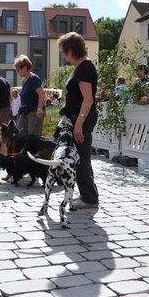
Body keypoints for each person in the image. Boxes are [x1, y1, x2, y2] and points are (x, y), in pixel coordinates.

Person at [58, 32, 99, 208]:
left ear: (70, 50)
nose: (62, 54)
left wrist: (79, 125)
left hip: (81, 119)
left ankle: (89, 198)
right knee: (80, 158)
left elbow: (88, 99)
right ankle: (87, 195)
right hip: (77, 118)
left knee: (81, 158)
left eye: (63, 50)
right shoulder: (81, 67)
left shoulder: (84, 69)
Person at [14, 54, 45, 136]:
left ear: (24, 68)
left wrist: (39, 109)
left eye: (18, 70)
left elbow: (41, 94)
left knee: (33, 136)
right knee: (19, 133)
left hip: (34, 112)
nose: (17, 72)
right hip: (25, 112)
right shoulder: (25, 81)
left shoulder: (33, 79)